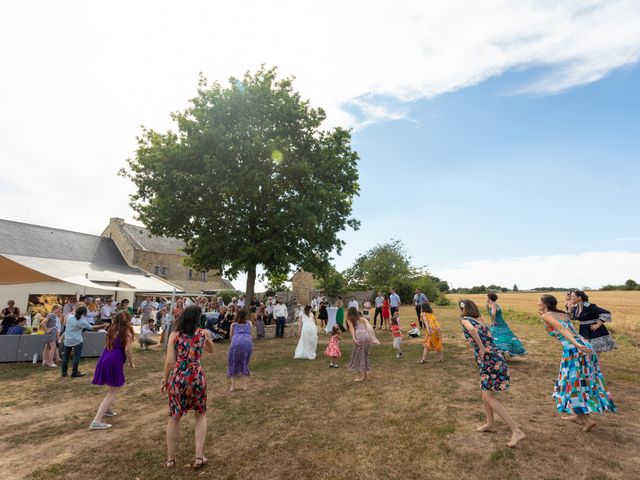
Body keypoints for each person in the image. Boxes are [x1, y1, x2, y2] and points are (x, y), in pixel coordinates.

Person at [538, 295, 615, 432]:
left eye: (539, 301)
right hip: (583, 346)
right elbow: (564, 329)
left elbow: (563, 330)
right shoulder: (559, 314)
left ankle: (588, 419)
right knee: (577, 383)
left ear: (545, 304)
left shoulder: (548, 316)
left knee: (574, 385)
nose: (537, 303)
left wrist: (575, 345)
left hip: (575, 350)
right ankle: (577, 416)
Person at [459, 299, 525, 448]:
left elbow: (472, 330)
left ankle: (516, 430)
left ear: (463, 310)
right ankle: (490, 424)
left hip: (488, 358)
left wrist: (481, 348)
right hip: (495, 356)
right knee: (485, 394)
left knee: (489, 397)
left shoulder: (464, 319)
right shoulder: (481, 320)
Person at [162, 305, 214, 469]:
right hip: (197, 377)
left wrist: (165, 379)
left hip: (178, 378)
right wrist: (207, 339)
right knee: (200, 414)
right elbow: (211, 350)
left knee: (174, 417)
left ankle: (171, 459)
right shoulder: (203, 333)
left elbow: (170, 361)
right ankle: (199, 456)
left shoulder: (174, 335)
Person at [89, 311, 135, 430]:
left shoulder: (112, 328)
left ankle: (107, 409)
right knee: (113, 391)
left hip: (106, 357)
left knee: (111, 387)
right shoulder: (127, 331)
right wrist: (131, 362)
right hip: (114, 360)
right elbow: (128, 350)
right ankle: (97, 420)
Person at [61, 304, 106, 378]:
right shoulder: (82, 321)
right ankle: (74, 372)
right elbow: (92, 328)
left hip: (68, 339)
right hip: (77, 340)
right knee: (76, 356)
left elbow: (66, 324)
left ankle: (64, 372)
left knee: (66, 356)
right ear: (84, 313)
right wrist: (102, 326)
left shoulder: (70, 317)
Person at [227, 309, 253, 391]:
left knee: (233, 362)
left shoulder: (233, 325)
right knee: (244, 362)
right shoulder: (249, 323)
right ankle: (244, 385)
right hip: (247, 342)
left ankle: (233, 386)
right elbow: (249, 332)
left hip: (236, 342)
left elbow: (231, 335)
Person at [346, 307, 373, 381]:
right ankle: (365, 375)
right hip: (366, 336)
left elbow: (351, 329)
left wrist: (354, 338)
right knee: (364, 355)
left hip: (359, 337)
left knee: (358, 356)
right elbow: (367, 328)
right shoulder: (361, 318)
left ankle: (360, 376)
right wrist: (370, 338)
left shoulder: (349, 320)